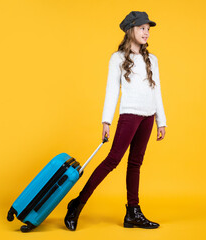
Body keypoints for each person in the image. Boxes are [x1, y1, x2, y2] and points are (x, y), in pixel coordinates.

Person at [64, 11, 167, 230]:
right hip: (129, 115)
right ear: (131, 29)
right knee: (112, 160)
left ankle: (132, 212)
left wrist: (161, 121)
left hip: (148, 117)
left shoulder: (153, 60)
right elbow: (111, 91)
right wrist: (106, 121)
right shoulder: (117, 58)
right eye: (142, 28)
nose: (146, 32)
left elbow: (156, 91)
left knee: (135, 164)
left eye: (148, 29)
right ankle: (77, 204)